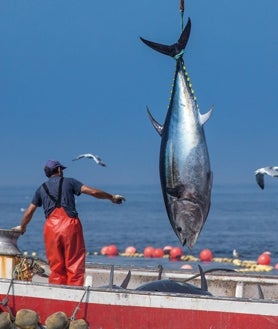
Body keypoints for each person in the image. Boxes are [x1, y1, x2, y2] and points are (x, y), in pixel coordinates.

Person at [16, 159, 125, 286]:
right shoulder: (70, 182)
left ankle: (57, 294)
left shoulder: (41, 189)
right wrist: (111, 197)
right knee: (74, 264)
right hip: (69, 226)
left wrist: (22, 227)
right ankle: (74, 295)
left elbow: (29, 211)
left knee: (56, 267)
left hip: (51, 229)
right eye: (61, 168)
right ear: (58, 169)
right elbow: (93, 192)